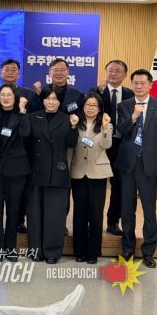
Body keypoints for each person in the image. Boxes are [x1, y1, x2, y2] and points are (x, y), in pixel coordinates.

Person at [26, 84, 78, 264]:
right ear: (42, 100)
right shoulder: (33, 117)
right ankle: (35, 251)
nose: (51, 102)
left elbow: (71, 143)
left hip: (58, 172)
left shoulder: (66, 119)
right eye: (48, 98)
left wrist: (73, 127)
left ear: (60, 102)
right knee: (34, 215)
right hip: (35, 172)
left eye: (55, 99)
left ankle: (52, 252)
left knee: (55, 215)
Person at [116, 69, 157, 268]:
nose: (139, 86)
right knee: (127, 209)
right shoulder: (124, 105)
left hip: (150, 164)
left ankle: (149, 251)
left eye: (143, 83)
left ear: (150, 84)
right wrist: (133, 117)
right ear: (131, 84)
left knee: (149, 210)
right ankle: (128, 249)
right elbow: (120, 130)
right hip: (128, 164)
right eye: (135, 83)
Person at [90, 60, 133, 236]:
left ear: (125, 74)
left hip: (121, 146)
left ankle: (113, 221)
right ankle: (93, 222)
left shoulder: (130, 94)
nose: (113, 74)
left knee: (119, 185)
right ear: (106, 72)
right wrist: (100, 92)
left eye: (117, 71)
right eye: (110, 70)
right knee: (96, 185)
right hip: (100, 144)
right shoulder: (96, 91)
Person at [0, 84, 30, 261]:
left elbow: (26, 133)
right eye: (2, 95)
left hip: (16, 171)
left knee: (13, 212)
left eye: (9, 95)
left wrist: (22, 111)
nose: (5, 98)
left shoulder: (21, 116)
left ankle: (11, 247)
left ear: (15, 98)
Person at [70, 93, 113, 264]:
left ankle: (93, 252)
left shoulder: (106, 124)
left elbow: (107, 145)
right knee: (79, 213)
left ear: (100, 108)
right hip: (79, 172)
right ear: (83, 106)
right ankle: (79, 251)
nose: (91, 108)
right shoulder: (75, 122)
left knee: (96, 214)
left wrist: (105, 128)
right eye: (88, 104)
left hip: (98, 173)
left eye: (94, 105)